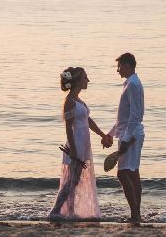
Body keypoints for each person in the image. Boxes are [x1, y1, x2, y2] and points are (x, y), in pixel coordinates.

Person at [49, 66, 110, 220]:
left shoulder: (79, 101)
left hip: (83, 143)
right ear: (77, 81)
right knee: (71, 179)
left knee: (75, 180)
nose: (87, 80)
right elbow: (69, 128)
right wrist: (73, 149)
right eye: (85, 77)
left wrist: (102, 134)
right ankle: (56, 210)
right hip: (75, 143)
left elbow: (87, 121)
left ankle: (70, 210)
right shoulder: (69, 101)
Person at [102, 53, 145, 224]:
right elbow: (123, 117)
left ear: (127, 65)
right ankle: (136, 214)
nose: (117, 70)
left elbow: (135, 115)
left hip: (132, 134)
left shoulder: (133, 85)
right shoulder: (130, 83)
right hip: (130, 132)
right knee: (132, 173)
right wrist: (110, 134)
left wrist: (126, 139)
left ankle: (135, 214)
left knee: (123, 173)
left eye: (119, 66)